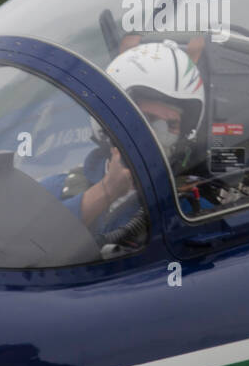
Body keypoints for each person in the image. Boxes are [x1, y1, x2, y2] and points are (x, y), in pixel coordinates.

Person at [43, 40, 213, 240]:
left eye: (172, 124)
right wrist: (107, 191)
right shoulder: (55, 190)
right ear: (110, 121)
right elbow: (26, 245)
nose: (159, 134)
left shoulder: (192, 212)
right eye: (146, 119)